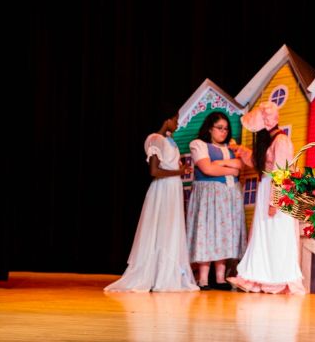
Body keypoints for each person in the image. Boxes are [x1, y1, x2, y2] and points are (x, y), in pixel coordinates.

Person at [104, 110, 199, 293]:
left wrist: (179, 168)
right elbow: (154, 171)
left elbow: (167, 164)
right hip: (163, 189)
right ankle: (154, 275)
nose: (177, 123)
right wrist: (178, 172)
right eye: (176, 119)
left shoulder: (168, 140)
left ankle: (165, 273)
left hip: (172, 189)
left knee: (169, 229)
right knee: (160, 228)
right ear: (167, 120)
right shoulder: (155, 140)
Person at [226, 102, 305, 294]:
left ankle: (277, 278)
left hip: (277, 192)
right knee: (264, 234)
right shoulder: (271, 141)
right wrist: (240, 150)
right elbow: (259, 161)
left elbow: (281, 173)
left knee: (277, 234)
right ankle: (258, 276)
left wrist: (274, 201)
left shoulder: (281, 141)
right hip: (265, 188)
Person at [186, 111, 247, 291]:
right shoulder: (199, 144)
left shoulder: (231, 148)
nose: (223, 132)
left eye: (226, 129)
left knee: (223, 233)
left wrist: (218, 164)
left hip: (228, 195)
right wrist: (228, 167)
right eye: (219, 128)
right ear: (210, 128)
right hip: (209, 194)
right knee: (207, 231)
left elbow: (240, 167)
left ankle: (220, 278)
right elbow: (206, 169)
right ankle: (203, 278)